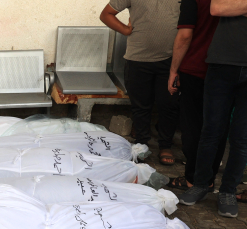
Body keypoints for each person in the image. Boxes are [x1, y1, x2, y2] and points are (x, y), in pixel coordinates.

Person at [179, 0, 247, 217]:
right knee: (211, 131)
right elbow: (217, 8)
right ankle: (200, 184)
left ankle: (228, 191)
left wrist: (238, 6)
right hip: (221, 64)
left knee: (241, 138)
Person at [100, 0, 181, 165]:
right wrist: (125, 29)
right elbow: (106, 14)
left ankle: (165, 145)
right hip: (137, 59)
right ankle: (142, 144)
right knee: (141, 105)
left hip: (172, 60)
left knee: (169, 105)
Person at [166, 0, 225, 191]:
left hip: (196, 68)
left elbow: (185, 36)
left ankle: (192, 178)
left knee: (193, 126)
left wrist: (173, 70)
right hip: (227, 70)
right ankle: (208, 179)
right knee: (218, 128)